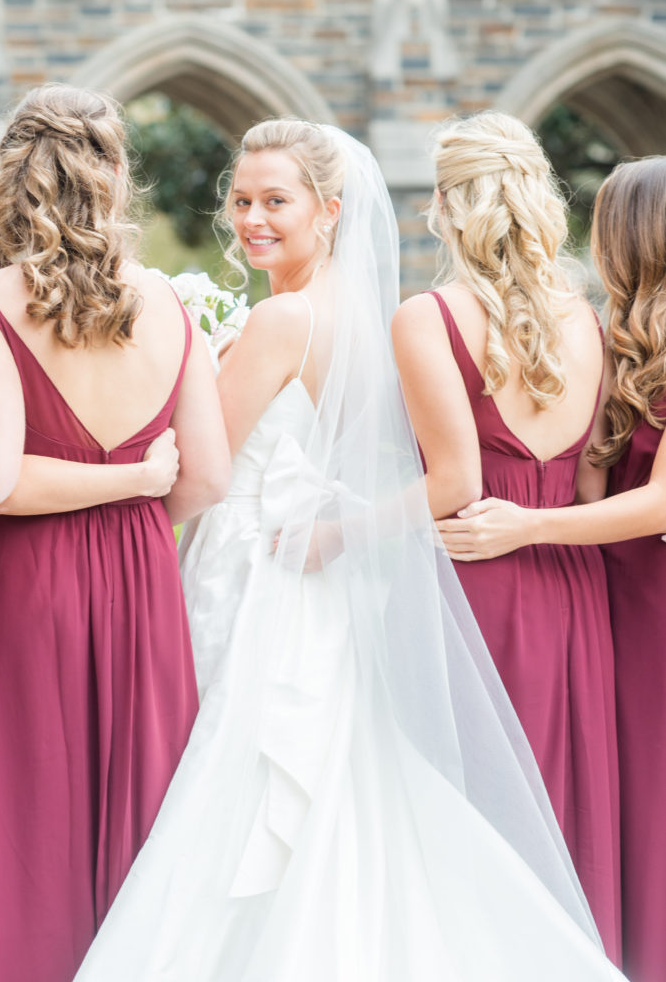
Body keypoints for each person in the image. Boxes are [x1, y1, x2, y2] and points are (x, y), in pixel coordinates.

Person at [74, 117, 622, 981]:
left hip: (255, 567)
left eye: (275, 201)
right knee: (348, 792)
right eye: (241, 198)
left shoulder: (283, 318)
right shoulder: (366, 318)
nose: (250, 217)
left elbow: (201, 468)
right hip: (329, 582)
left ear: (330, 211)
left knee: (234, 785)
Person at [0, 84, 229, 982]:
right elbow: (209, 476)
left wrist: (107, 489)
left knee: (25, 809)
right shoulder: (174, 308)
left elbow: (0, 482)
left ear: (13, 175)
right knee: (140, 805)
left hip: (23, 581)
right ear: (114, 177)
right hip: (143, 571)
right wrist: (137, 501)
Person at [391, 110, 621, 961]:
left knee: (467, 810)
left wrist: (336, 532)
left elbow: (452, 484)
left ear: (448, 206)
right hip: (570, 586)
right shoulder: (589, 322)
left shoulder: (427, 318)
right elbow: (588, 484)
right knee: (559, 802)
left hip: (471, 580)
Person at [436, 155, 666, 982]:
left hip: (645, 592)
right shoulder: (613, 336)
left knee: (646, 789)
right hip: (607, 585)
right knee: (623, 793)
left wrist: (527, 525)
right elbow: (589, 471)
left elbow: (659, 502)